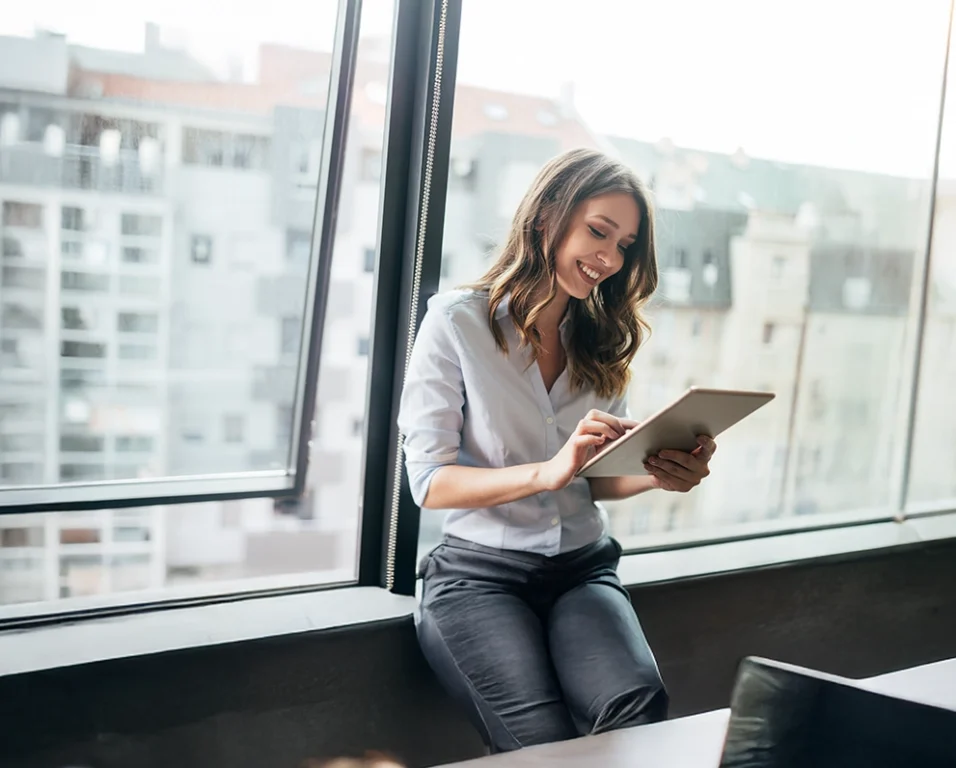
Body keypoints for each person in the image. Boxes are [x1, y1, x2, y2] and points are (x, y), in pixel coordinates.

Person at [398, 148, 717, 753]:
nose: (608, 258)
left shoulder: (602, 342)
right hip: (478, 578)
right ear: (547, 214)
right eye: (599, 231)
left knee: (638, 712)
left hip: (581, 569)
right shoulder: (456, 323)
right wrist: (546, 472)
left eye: (624, 245)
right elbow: (430, 482)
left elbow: (595, 478)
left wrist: (660, 473)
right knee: (541, 746)